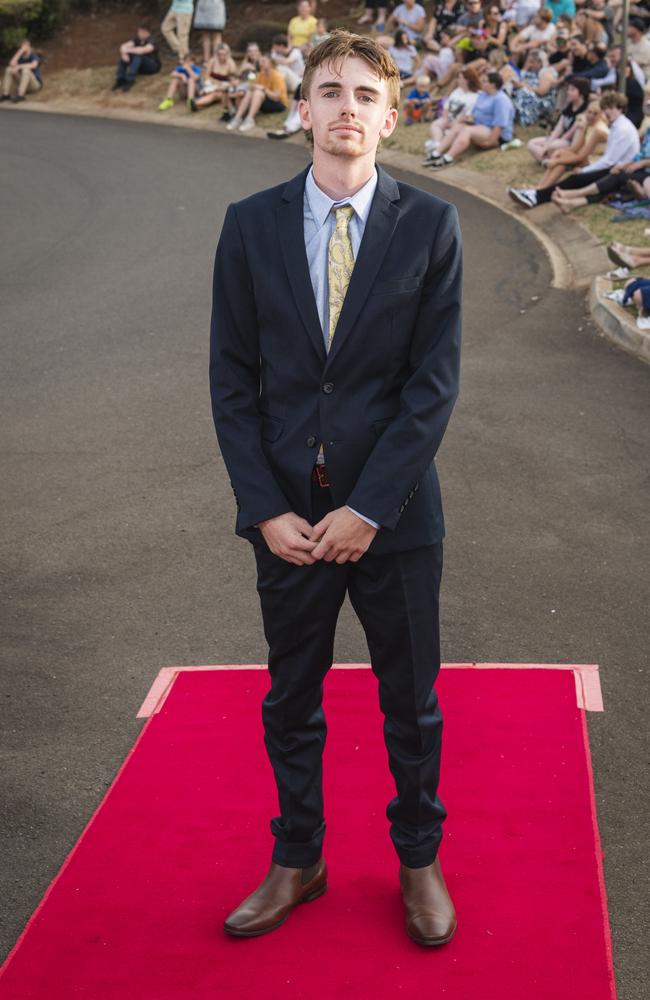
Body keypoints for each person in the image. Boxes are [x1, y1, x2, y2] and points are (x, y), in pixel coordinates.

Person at [210, 28, 462, 946]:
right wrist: (267, 508)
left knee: (412, 702)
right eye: (330, 90)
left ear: (390, 120)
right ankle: (299, 857)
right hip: (288, 521)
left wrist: (367, 509)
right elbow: (232, 382)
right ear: (302, 108)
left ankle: (419, 858)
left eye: (364, 94)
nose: (345, 106)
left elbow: (431, 388)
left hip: (393, 518)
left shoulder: (432, 227)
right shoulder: (249, 224)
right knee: (291, 697)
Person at [509, 91, 639, 207]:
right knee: (569, 168)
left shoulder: (621, 129)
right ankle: (537, 191)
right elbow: (577, 148)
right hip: (610, 166)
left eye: (611, 108)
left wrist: (584, 170)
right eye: (605, 108)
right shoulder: (617, 125)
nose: (607, 112)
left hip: (618, 170)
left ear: (621, 109)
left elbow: (609, 161)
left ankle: (537, 196)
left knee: (575, 179)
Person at [428, 69, 515, 167]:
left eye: (485, 81)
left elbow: (499, 126)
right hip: (480, 127)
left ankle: (448, 158)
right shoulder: (483, 95)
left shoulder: (501, 100)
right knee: (458, 127)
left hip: (496, 135)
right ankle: (436, 153)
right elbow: (475, 114)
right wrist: (466, 119)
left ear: (493, 85)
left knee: (467, 130)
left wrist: (489, 143)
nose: (481, 82)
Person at [422, 63, 481, 162]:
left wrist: (455, 122)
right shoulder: (457, 91)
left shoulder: (475, 96)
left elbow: (468, 115)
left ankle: (437, 147)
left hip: (459, 122)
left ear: (467, 80)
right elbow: (447, 106)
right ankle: (437, 143)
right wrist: (445, 118)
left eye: (460, 78)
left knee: (451, 131)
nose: (458, 80)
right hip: (449, 118)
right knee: (436, 124)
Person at [526, 74, 590, 163]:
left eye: (572, 90)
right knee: (531, 143)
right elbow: (558, 129)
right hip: (561, 140)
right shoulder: (568, 107)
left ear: (582, 93)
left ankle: (549, 159)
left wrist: (548, 146)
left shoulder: (585, 110)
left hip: (570, 142)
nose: (568, 92)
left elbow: (570, 134)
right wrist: (548, 143)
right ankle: (547, 160)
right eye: (568, 89)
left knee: (553, 146)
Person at [226, 53, 288, 131]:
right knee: (250, 92)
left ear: (271, 63)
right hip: (265, 101)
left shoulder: (277, 76)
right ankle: (238, 118)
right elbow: (251, 88)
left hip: (279, 104)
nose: (261, 63)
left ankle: (250, 119)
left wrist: (263, 89)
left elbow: (276, 97)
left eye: (264, 61)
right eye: (260, 61)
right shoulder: (260, 74)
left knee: (258, 92)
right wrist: (252, 85)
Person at [189, 42, 237, 113]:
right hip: (212, 85)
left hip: (224, 88)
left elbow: (233, 81)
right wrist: (212, 83)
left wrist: (219, 85)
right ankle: (197, 105)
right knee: (211, 93)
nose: (221, 57)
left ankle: (196, 103)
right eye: (219, 54)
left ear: (227, 54)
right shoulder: (212, 61)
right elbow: (206, 75)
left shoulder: (231, 63)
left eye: (224, 54)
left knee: (215, 95)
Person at [112, 26, 161, 92]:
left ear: (146, 33)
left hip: (152, 67)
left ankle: (130, 80)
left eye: (140, 32)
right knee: (126, 55)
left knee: (138, 55)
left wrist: (127, 50)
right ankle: (120, 79)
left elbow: (144, 50)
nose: (138, 33)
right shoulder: (137, 39)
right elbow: (123, 46)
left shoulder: (152, 40)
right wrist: (124, 54)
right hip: (140, 67)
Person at [1, 38, 43, 103]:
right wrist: (20, 51)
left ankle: (21, 95)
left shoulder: (33, 55)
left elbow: (34, 65)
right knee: (8, 69)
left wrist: (19, 66)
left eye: (25, 46)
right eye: (22, 46)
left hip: (34, 85)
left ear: (29, 46)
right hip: (23, 83)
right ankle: (6, 94)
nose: (23, 48)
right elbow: (11, 63)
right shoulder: (20, 56)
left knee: (25, 70)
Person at [193, 0, 226, 66]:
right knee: (209, 35)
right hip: (207, 6)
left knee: (214, 35)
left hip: (213, 6)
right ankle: (209, 60)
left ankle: (212, 60)